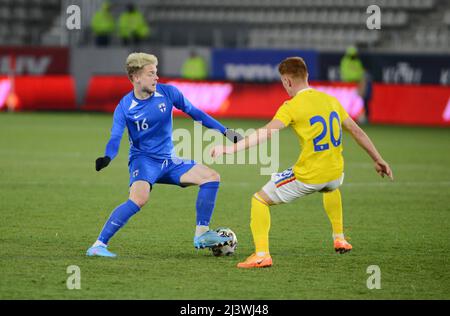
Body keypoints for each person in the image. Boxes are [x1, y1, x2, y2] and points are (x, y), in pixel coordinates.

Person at [211, 57, 393, 269]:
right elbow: (356, 131)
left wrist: (229, 149)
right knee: (330, 188)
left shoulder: (292, 106)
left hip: (309, 176)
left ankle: (261, 255)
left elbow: (265, 134)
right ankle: (339, 237)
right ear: (306, 76)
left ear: (287, 81)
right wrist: (378, 159)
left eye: (283, 82)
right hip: (335, 174)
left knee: (259, 200)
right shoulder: (330, 100)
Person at [87, 53, 243, 258]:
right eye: (151, 73)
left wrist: (226, 132)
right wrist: (108, 157)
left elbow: (196, 113)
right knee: (139, 198)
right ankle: (98, 245)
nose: (157, 78)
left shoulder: (168, 93)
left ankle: (201, 234)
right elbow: (115, 137)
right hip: (144, 161)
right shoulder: (125, 107)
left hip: (170, 161)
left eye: (156, 73)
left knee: (211, 177)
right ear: (135, 77)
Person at [340, 46, 372, 124]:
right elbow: (346, 73)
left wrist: (359, 80)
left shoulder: (357, 62)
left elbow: (360, 72)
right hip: (348, 85)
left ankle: (360, 117)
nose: (354, 56)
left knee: (358, 100)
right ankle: (346, 118)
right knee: (347, 101)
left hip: (356, 84)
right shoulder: (345, 61)